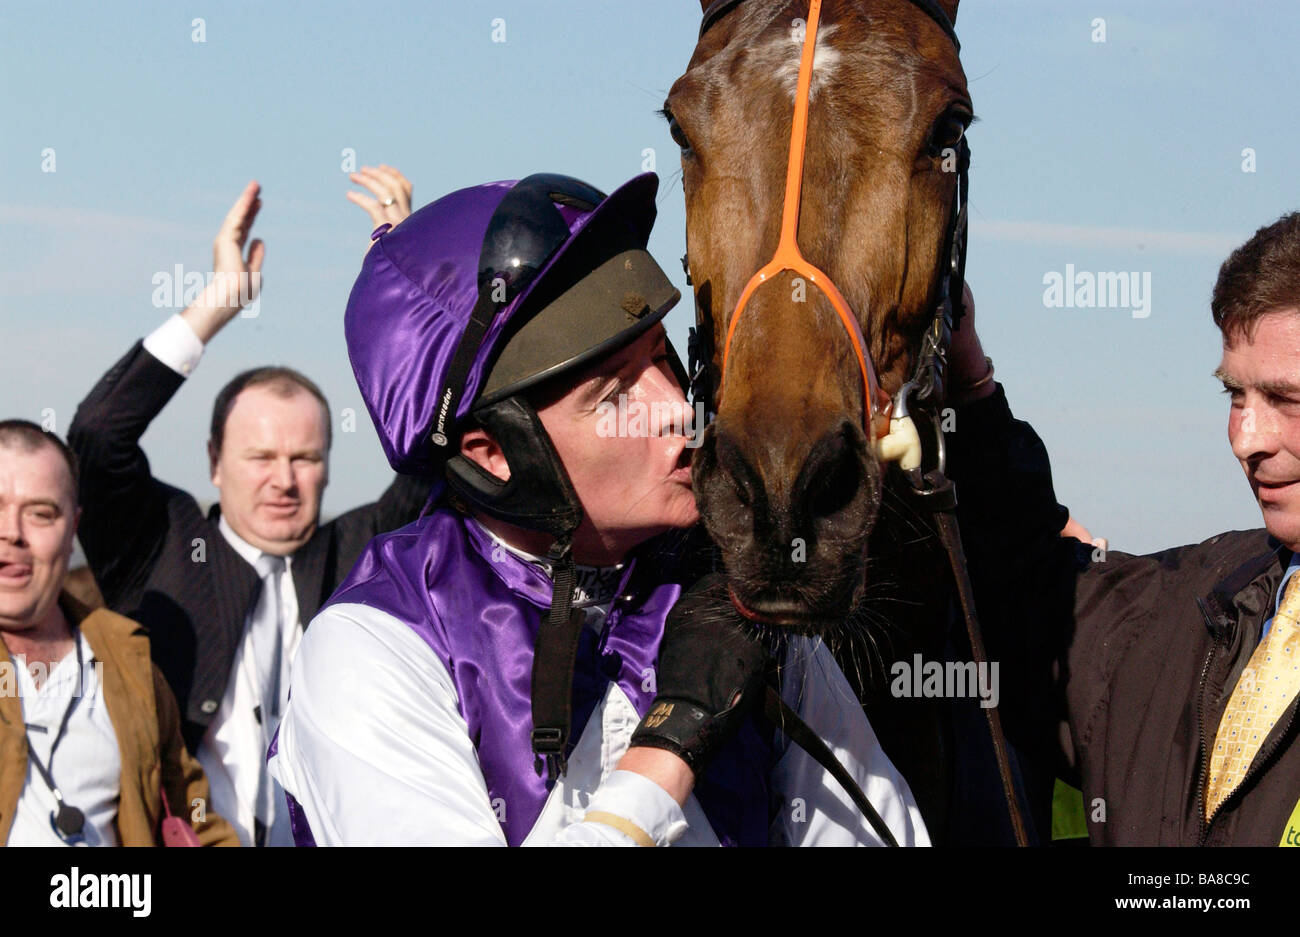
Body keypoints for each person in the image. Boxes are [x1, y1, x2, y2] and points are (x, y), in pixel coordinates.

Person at [268, 171, 931, 846]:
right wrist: (671, 746)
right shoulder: (372, 648)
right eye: (614, 396)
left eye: (662, 361)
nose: (680, 413)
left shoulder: (733, 591)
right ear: (495, 453)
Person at [67, 178, 432, 847]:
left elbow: (438, 440)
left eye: (306, 458)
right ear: (214, 460)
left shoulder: (366, 550)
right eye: (260, 456)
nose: (284, 481)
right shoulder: (162, 542)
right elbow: (96, 436)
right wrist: (216, 304)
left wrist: (402, 271)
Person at [947, 212, 1300, 846]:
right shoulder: (1206, 599)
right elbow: (1034, 600)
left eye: (1287, 400)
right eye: (1235, 397)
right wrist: (969, 384)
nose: (1247, 440)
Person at [0, 420, 237, 847]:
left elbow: (194, 816)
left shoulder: (130, 664)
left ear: (73, 528)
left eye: (40, 513)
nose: (12, 533)